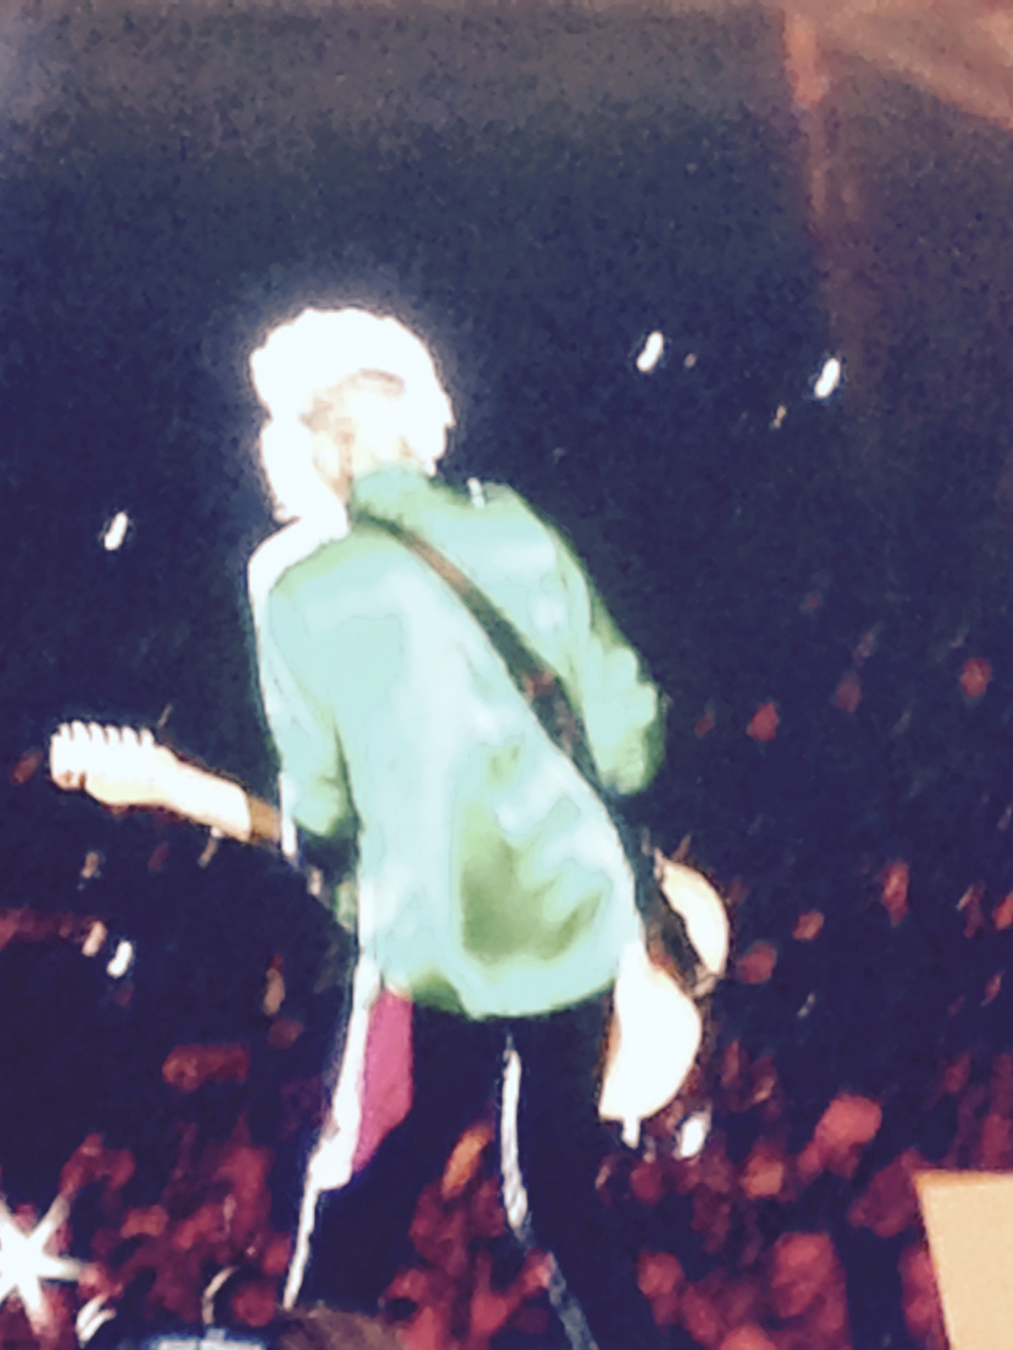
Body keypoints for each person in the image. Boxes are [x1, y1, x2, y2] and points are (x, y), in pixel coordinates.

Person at [244, 306, 669, 1350]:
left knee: (368, 1175)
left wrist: (330, 864)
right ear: (420, 422)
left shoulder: (296, 586)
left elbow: (319, 799)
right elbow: (629, 736)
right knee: (556, 1193)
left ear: (319, 450)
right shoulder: (514, 526)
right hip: (573, 912)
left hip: (435, 940)